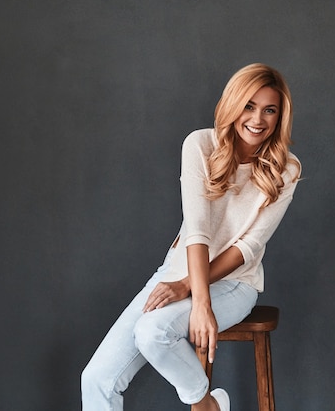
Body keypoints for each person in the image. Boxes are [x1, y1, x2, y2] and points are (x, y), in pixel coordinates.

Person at [81, 63, 301, 411]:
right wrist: (188, 289)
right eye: (249, 105)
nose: (258, 119)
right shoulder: (200, 144)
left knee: (153, 332)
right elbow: (197, 228)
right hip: (178, 270)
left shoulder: (286, 168)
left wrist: (194, 294)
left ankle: (203, 406)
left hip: (234, 282)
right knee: (96, 379)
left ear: (280, 116)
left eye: (269, 110)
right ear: (232, 105)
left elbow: (248, 247)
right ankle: (211, 405)